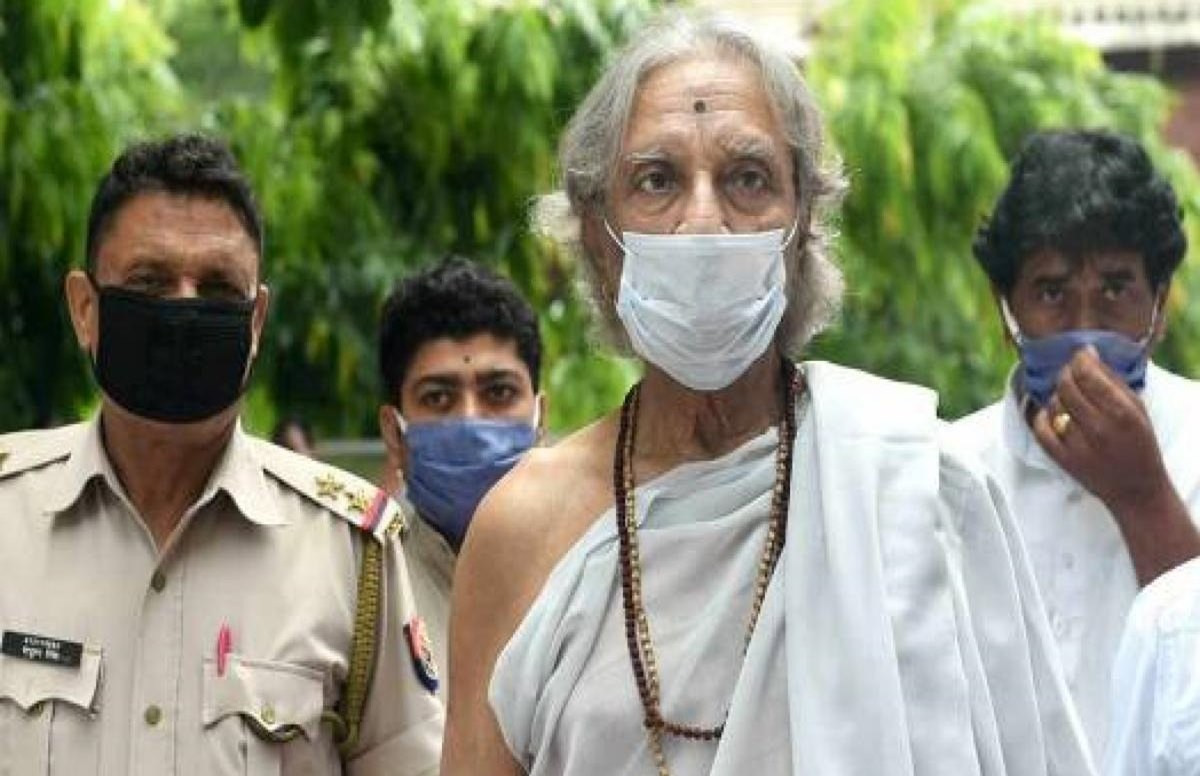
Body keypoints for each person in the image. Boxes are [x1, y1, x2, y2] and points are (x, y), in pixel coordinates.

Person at [441, 10, 1093, 776]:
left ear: (802, 221)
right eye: (657, 180)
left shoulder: (927, 491)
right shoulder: (522, 527)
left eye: (747, 178)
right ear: (597, 235)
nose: (704, 222)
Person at [0, 134, 443, 774]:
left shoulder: (349, 552)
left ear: (255, 321)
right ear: (85, 309)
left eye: (216, 288)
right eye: (149, 282)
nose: (184, 309)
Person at [949, 129, 1200, 758]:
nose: (1085, 331)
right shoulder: (949, 471)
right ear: (1006, 311)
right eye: (1052, 293)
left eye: (1115, 289)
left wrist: (1142, 495)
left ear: (1159, 307)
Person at [376, 256, 544, 699]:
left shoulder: (599, 581)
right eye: (438, 398)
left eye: (499, 393)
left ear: (540, 420)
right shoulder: (364, 595)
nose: (471, 421)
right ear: (395, 434)